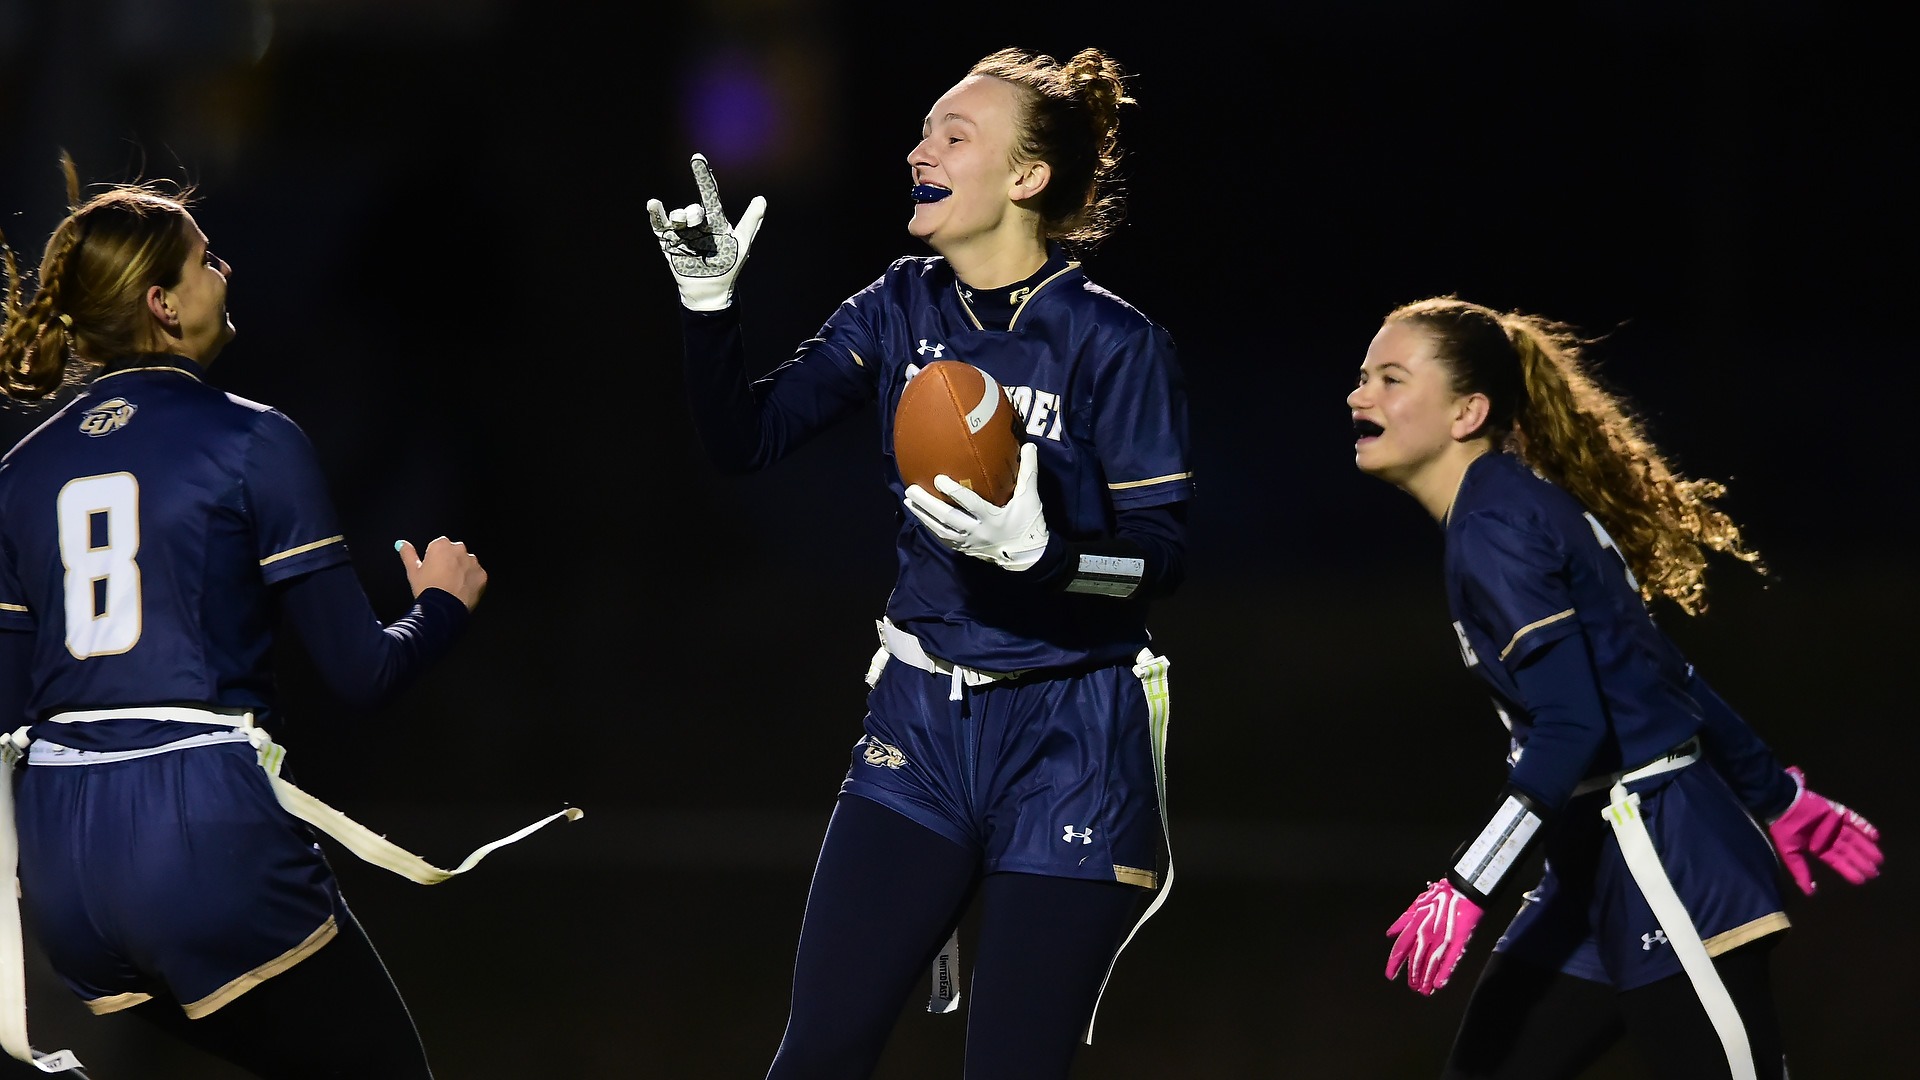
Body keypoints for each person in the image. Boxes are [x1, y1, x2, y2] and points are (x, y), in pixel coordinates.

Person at [647, 46, 1193, 1079]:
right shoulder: (899, 306)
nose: (917, 150)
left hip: (1071, 740)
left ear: (1027, 178)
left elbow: (1160, 565)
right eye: (923, 130)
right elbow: (744, 442)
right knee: (817, 1055)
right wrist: (710, 312)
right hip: (921, 727)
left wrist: (1045, 557)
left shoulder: (1114, 345)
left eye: (954, 135)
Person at [0, 161, 503, 1078]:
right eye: (205, 260)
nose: (224, 272)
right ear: (161, 302)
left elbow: (8, 709)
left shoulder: (19, 473)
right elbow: (363, 674)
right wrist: (440, 606)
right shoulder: (252, 438)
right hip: (197, 833)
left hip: (64, 865)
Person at [1349, 296, 1885, 1080]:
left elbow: (1575, 725)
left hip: (1661, 858)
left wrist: (1469, 883)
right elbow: (1663, 673)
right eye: (1363, 377)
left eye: (1391, 378)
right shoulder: (1508, 504)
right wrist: (1777, 797)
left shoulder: (1495, 524)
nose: (1360, 396)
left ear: (1468, 411)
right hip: (1594, 865)